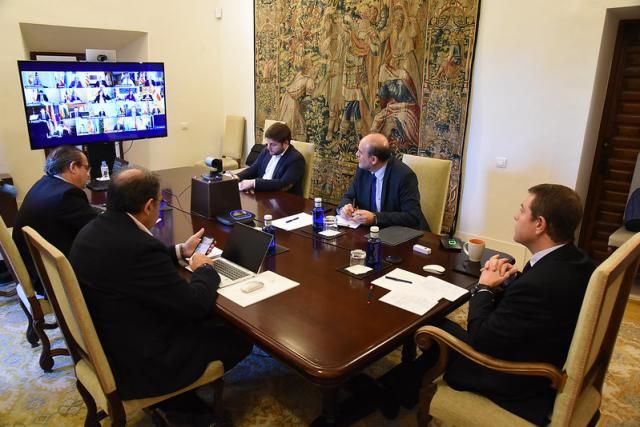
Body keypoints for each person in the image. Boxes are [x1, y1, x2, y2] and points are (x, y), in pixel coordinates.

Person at [402, 184, 595, 425]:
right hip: (538, 348)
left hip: (513, 378)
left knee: (430, 327)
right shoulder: (578, 261)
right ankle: (402, 386)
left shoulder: (539, 284)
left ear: (540, 224)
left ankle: (394, 391)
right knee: (438, 325)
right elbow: (532, 308)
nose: (516, 215)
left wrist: (483, 288)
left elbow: (481, 338)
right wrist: (511, 283)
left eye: (523, 210)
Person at [69, 167, 252, 408]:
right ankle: (181, 401)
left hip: (109, 340)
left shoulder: (94, 229)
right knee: (237, 335)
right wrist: (204, 269)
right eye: (159, 202)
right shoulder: (140, 246)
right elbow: (194, 304)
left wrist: (180, 251)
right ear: (148, 206)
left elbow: (132, 264)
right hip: (141, 364)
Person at [12, 146, 98, 295]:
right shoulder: (67, 194)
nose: (88, 175)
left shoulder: (44, 183)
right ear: (73, 167)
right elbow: (98, 229)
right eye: (86, 168)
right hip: (52, 278)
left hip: (37, 268)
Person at [337, 133, 428, 230]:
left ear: (373, 160)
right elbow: (349, 196)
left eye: (360, 152)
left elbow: (412, 217)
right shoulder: (363, 169)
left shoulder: (404, 176)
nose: (356, 154)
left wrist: (375, 218)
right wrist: (344, 208)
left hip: (400, 234)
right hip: (370, 233)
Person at [236, 122, 306, 195]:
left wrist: (254, 183)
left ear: (285, 143)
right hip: (262, 194)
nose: (268, 147)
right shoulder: (267, 150)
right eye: (267, 143)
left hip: (282, 199)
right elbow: (254, 168)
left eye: (273, 144)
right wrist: (236, 177)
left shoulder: (296, 159)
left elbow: (283, 184)